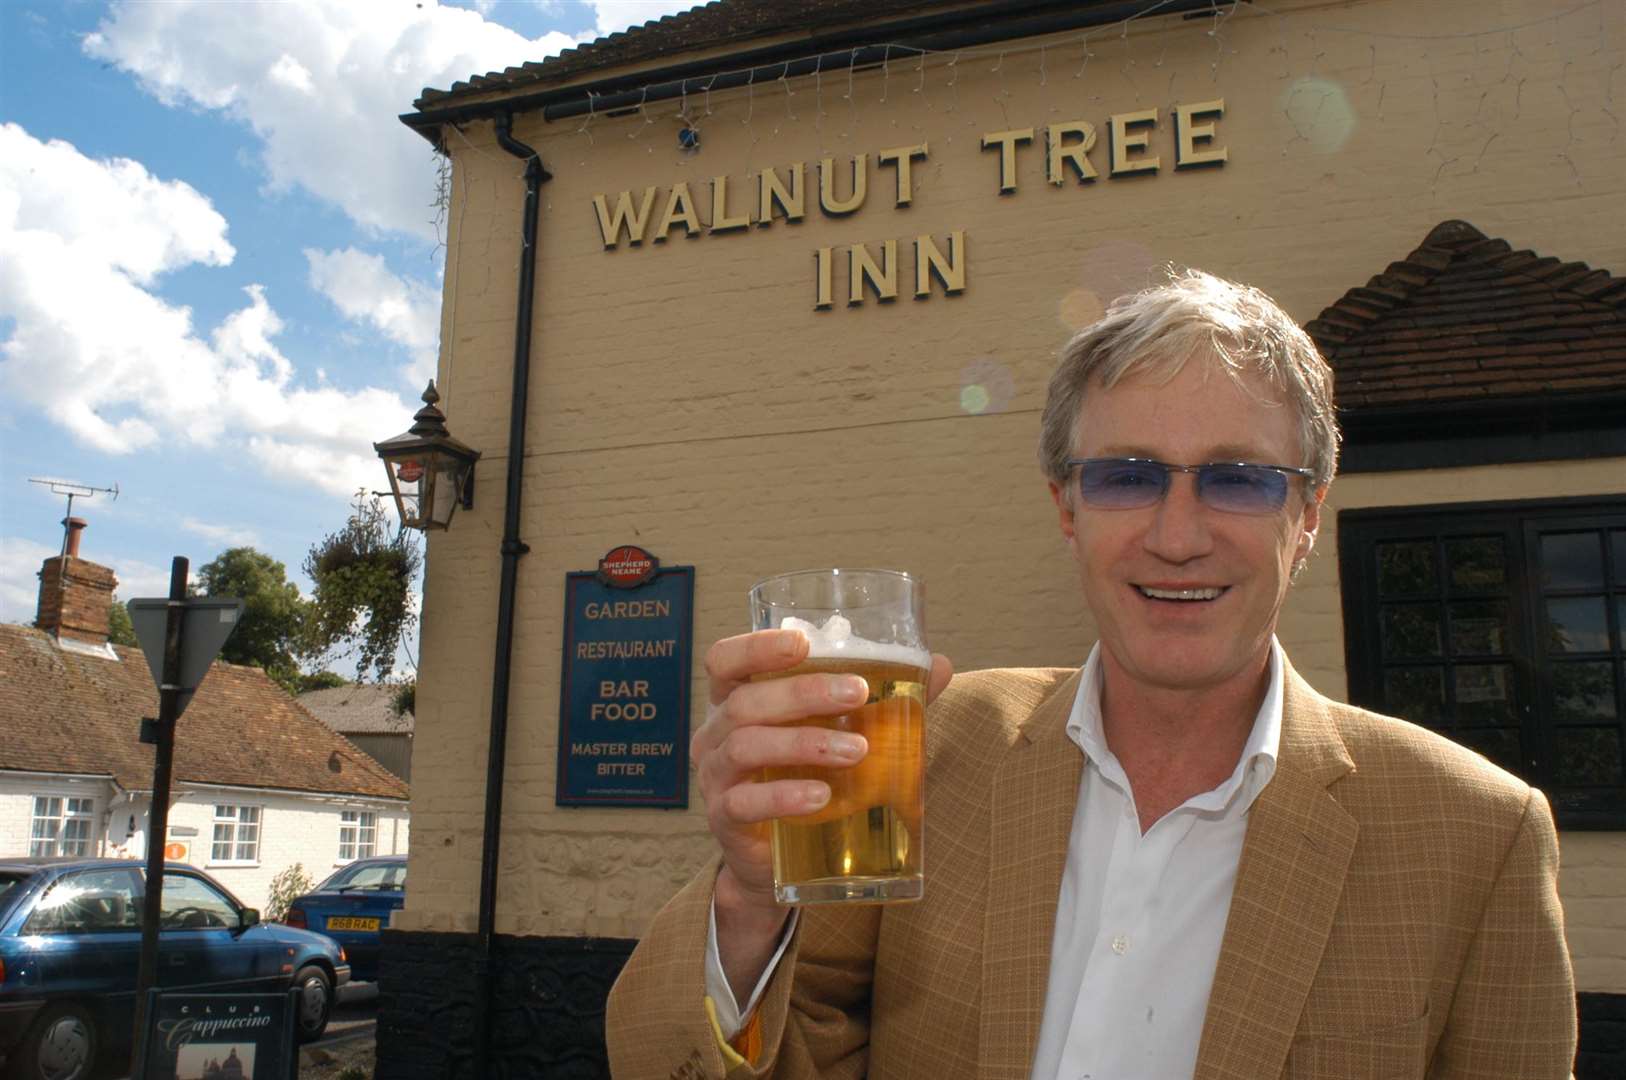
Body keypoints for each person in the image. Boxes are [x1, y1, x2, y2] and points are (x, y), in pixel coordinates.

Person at [606, 269, 1576, 1079]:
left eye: (1237, 477)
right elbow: (682, 1060)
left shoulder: (1479, 837)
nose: (1178, 536)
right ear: (1068, 508)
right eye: (1128, 475)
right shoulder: (930, 755)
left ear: (1308, 516)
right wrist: (747, 896)